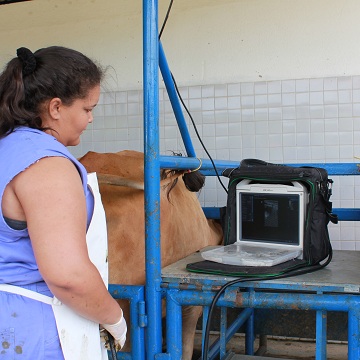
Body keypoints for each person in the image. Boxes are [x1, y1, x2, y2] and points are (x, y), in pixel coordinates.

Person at [0, 46, 126, 359]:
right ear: (56, 107)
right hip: (32, 332)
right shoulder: (46, 164)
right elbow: (67, 276)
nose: (91, 119)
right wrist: (114, 317)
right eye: (87, 108)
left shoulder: (6, 147)